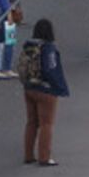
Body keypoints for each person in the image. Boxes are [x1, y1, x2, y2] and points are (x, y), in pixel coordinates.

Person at [19, 18, 69, 166]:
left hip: (29, 88)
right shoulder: (48, 48)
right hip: (46, 90)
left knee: (31, 122)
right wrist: (60, 87)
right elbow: (51, 69)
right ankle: (44, 157)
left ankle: (28, 155)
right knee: (46, 124)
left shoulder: (29, 46)